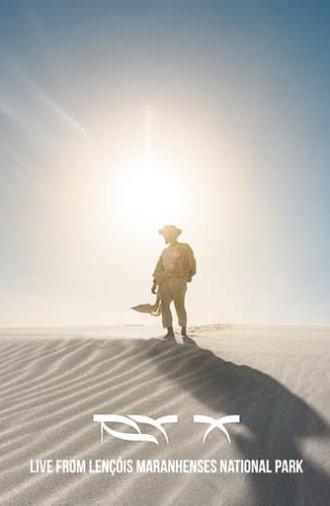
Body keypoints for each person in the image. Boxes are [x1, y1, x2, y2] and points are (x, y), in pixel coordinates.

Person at [152, 225, 196, 340]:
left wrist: (189, 274)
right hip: (165, 282)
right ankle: (169, 330)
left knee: (179, 305)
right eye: (165, 235)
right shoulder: (165, 251)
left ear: (174, 235)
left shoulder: (184, 247)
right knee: (165, 306)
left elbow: (191, 262)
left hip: (178, 280)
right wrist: (155, 282)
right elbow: (159, 267)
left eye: (168, 234)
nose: (166, 236)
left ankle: (183, 329)